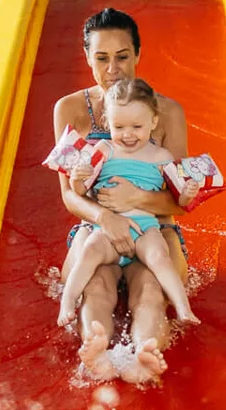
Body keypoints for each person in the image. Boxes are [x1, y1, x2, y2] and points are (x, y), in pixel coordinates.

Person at [53, 8, 192, 383]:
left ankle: (144, 357)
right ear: (87, 58)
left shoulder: (167, 113)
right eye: (102, 58)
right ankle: (97, 354)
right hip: (97, 228)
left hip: (153, 231)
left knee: (150, 290)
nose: (113, 68)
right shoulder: (69, 110)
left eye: (122, 56)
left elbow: (181, 201)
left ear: (138, 55)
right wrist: (105, 218)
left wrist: (137, 199)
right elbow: (69, 195)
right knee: (93, 285)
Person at [58, 78, 201, 329]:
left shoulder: (162, 157)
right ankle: (68, 302)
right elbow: (79, 191)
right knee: (89, 252)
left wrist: (188, 192)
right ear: (107, 124)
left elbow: (177, 201)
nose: (127, 134)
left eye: (137, 126)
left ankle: (182, 306)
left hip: (146, 227)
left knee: (159, 256)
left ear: (153, 122)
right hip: (107, 231)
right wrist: (78, 178)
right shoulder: (103, 149)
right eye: (119, 126)